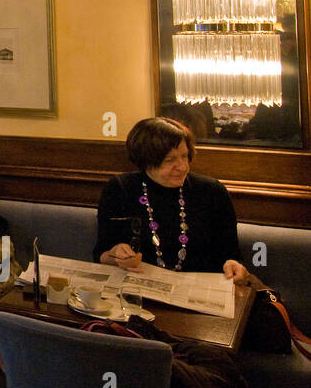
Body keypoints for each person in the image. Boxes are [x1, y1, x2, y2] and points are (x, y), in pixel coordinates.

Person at [94, 116, 250, 282]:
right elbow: (101, 254)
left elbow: (231, 254)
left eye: (184, 156)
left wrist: (233, 265)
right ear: (146, 161)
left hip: (200, 291)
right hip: (139, 290)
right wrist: (116, 255)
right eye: (170, 160)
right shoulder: (120, 189)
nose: (182, 167)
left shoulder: (212, 191)